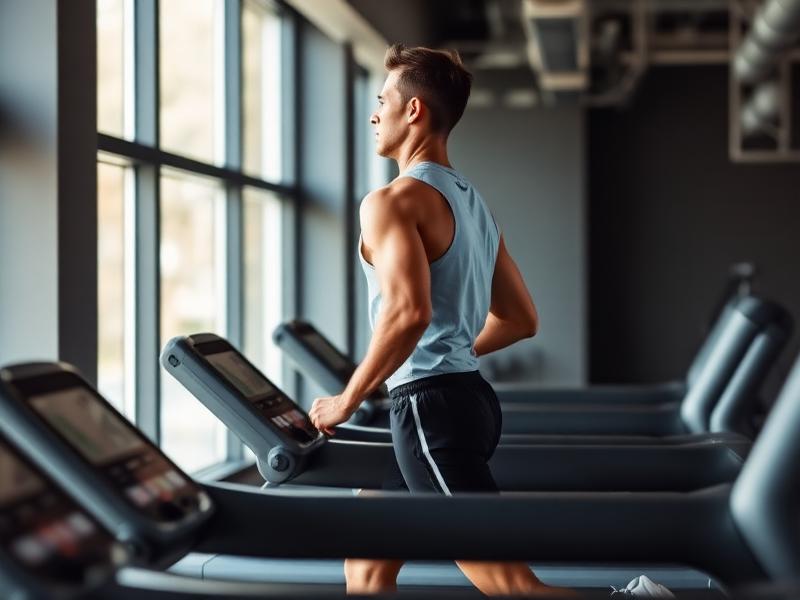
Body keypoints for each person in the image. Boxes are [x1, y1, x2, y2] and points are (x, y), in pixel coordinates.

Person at [308, 43, 567, 597]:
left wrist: (345, 400)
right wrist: (450, 353)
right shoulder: (473, 203)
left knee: (513, 587)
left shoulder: (391, 202)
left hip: (429, 409)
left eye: (382, 101)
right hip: (465, 400)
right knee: (368, 566)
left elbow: (407, 313)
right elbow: (521, 319)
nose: (374, 114)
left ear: (414, 111)